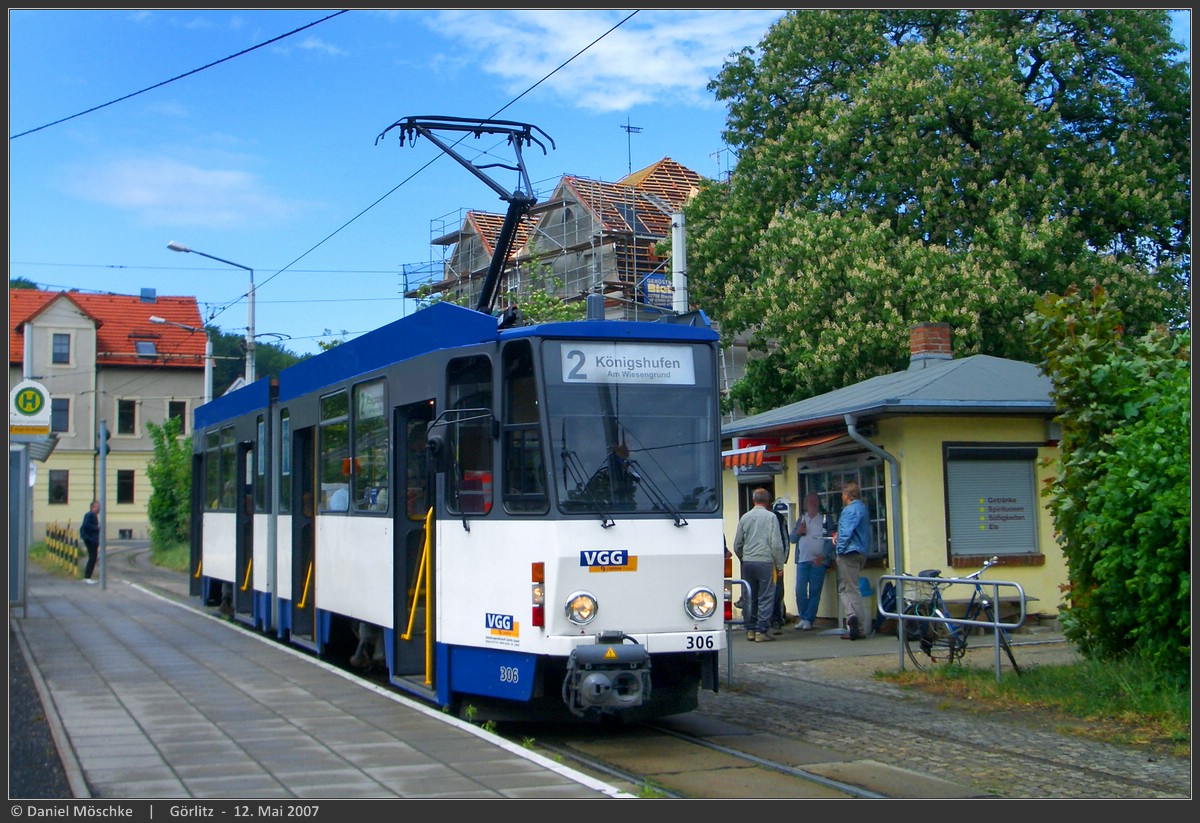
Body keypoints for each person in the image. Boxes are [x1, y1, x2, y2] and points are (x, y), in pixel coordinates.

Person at [732, 487, 786, 642]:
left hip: (748, 562)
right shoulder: (771, 518)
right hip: (765, 561)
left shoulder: (745, 517)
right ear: (768, 501)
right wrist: (780, 565)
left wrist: (743, 556)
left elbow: (738, 544)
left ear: (753, 500)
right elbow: (776, 543)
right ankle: (761, 631)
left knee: (750, 596)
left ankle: (750, 628)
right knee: (766, 596)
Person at [834, 481, 872, 640]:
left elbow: (846, 532)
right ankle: (852, 617)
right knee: (844, 588)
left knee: (851, 589)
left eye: (843, 494)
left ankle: (859, 626)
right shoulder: (863, 508)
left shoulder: (850, 510)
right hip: (861, 552)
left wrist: (839, 548)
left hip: (848, 552)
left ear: (847, 496)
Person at [791, 493, 831, 630]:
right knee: (800, 590)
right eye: (810, 501)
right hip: (802, 560)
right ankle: (803, 617)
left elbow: (832, 539)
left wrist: (824, 555)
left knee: (814, 591)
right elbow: (792, 538)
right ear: (806, 503)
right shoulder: (802, 518)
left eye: (815, 501)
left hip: (818, 561)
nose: (813, 503)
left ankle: (809, 619)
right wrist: (798, 532)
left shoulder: (824, 518)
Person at [79, 500, 100, 585]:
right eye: (98, 507)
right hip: (90, 539)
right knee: (92, 557)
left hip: (91, 539)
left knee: (93, 557)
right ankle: (87, 577)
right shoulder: (90, 515)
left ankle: (87, 576)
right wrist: (96, 527)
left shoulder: (92, 515)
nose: (99, 509)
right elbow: (86, 525)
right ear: (93, 507)